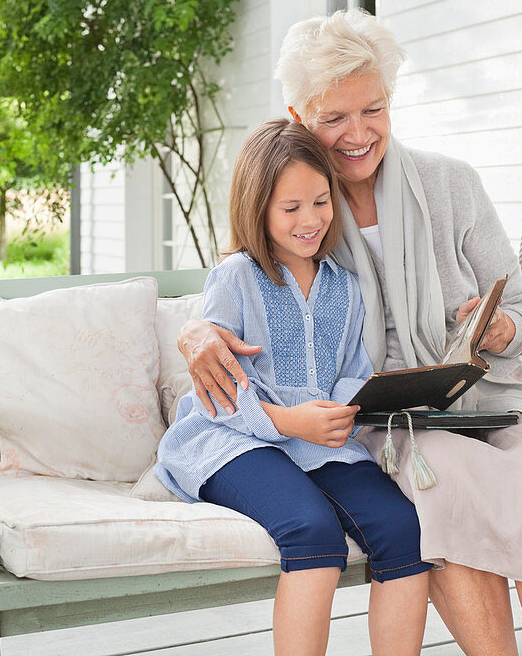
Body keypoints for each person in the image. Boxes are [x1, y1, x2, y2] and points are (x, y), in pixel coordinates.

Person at [177, 10, 522, 656]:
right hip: (375, 411)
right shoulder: (303, 200)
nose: (358, 133)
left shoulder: (452, 184)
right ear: (298, 114)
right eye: (334, 117)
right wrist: (195, 328)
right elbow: (248, 280)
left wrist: (500, 325)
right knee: (441, 479)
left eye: (375, 109)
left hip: (479, 390)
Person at [155, 119, 432, 656]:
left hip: (318, 441)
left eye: (322, 202)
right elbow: (220, 390)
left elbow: (354, 366)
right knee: (313, 531)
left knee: (403, 527)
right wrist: (286, 421)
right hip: (231, 441)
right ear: (258, 208)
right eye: (291, 208)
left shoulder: (346, 286)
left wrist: (350, 407)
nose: (311, 220)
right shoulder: (235, 278)